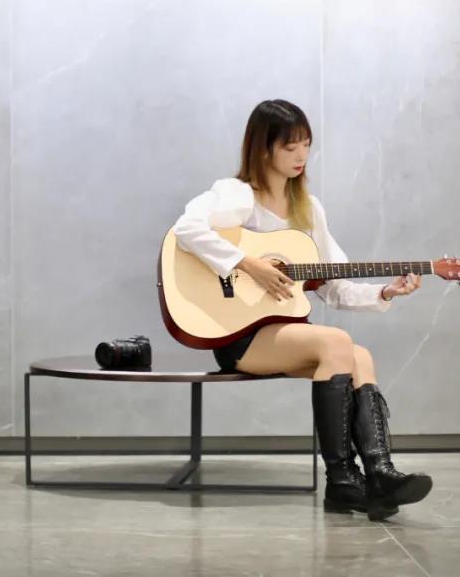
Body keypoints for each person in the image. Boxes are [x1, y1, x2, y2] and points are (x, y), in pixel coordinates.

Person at [171, 99, 432, 520]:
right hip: (241, 335)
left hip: (289, 333)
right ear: (263, 149)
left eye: (306, 145)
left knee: (359, 356)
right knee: (337, 342)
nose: (301, 156)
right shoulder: (237, 195)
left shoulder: (308, 210)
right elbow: (186, 228)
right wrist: (248, 264)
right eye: (290, 146)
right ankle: (342, 480)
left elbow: (334, 286)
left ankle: (379, 473)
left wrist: (386, 291)